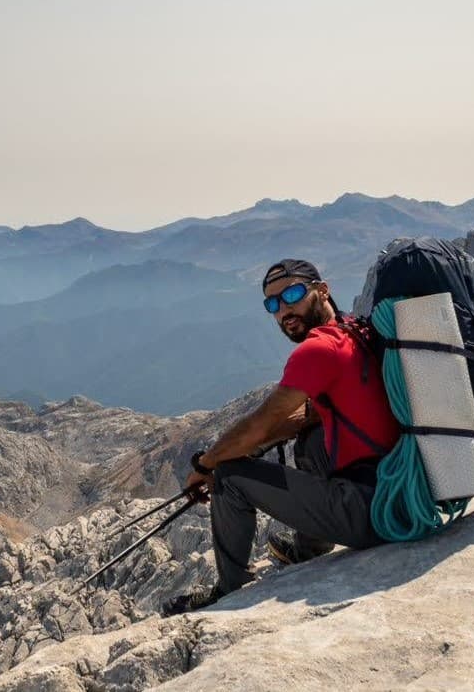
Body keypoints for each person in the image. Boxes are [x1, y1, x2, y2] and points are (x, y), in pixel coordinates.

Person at [161, 259, 400, 616]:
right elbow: (301, 420)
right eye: (272, 304)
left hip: (369, 513)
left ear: (322, 290)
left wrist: (207, 464)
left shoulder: (318, 350)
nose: (283, 309)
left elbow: (262, 421)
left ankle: (229, 592)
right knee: (312, 439)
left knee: (232, 478)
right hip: (393, 492)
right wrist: (252, 447)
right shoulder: (354, 331)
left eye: (292, 294)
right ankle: (308, 550)